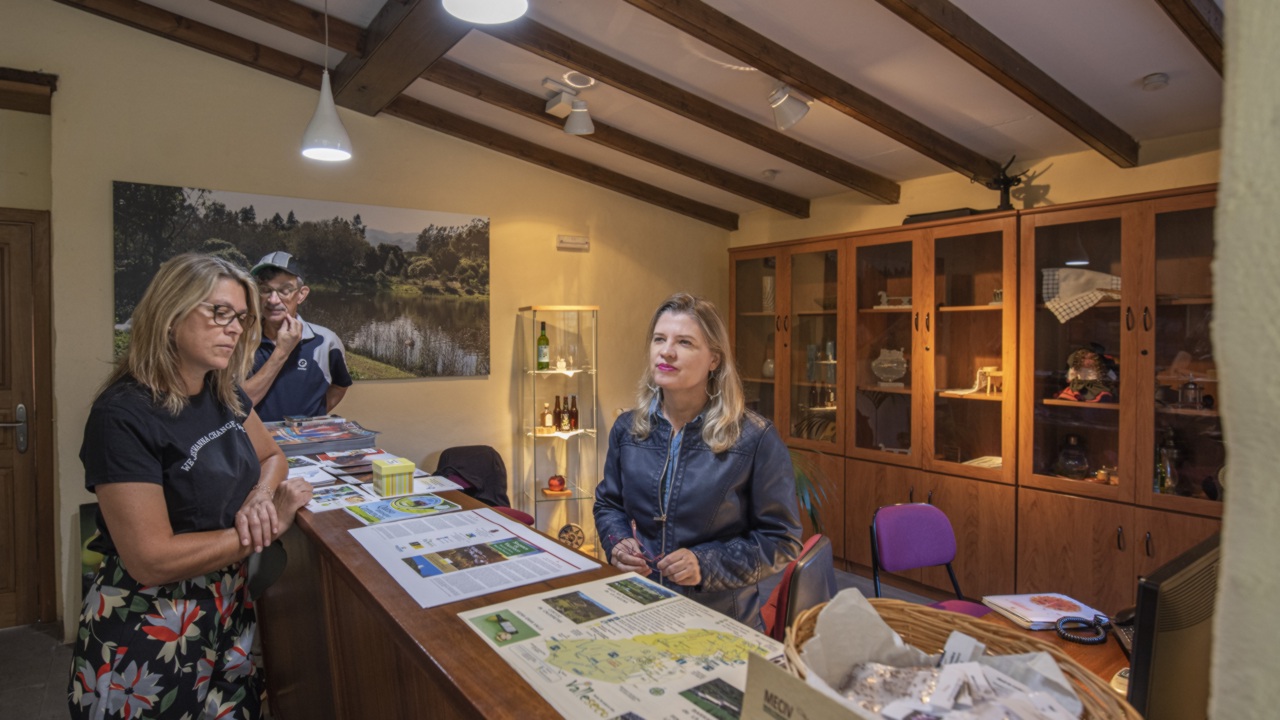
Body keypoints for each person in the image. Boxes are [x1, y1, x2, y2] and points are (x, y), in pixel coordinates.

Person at [70, 253, 313, 719]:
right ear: (169, 312)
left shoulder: (222, 389)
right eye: (220, 313)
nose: (236, 328)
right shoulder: (122, 414)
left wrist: (262, 496)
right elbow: (151, 559)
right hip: (149, 620)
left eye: (242, 317)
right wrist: (265, 527)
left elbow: (272, 456)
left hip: (226, 605)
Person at [594, 293, 802, 629]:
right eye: (659, 339)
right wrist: (617, 543)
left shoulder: (754, 438)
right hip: (641, 604)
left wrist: (704, 564)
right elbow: (608, 505)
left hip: (720, 619)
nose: (667, 351)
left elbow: (781, 540)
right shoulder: (628, 430)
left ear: (714, 360)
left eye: (685, 342)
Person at [243, 251, 352, 422]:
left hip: (308, 445)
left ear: (301, 294)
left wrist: (315, 415)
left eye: (284, 291)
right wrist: (282, 351)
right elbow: (237, 405)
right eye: (265, 290)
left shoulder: (326, 341)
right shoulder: (239, 339)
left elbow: (340, 385)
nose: (273, 300)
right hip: (252, 445)